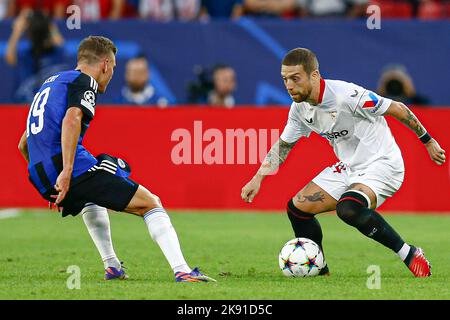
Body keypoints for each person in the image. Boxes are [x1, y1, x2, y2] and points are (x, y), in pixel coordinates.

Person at [17, 36, 215, 283]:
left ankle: (112, 266)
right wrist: (65, 172)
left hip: (38, 172)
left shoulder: (50, 83)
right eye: (113, 68)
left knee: (93, 192)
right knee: (150, 203)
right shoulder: (85, 82)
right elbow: (72, 118)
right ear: (105, 65)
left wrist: (48, 177)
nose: (111, 76)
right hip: (66, 167)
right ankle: (182, 270)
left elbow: (24, 142)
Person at [241, 48, 445, 278]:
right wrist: (258, 177)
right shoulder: (300, 109)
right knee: (297, 209)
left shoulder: (347, 95)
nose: (289, 85)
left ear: (314, 75)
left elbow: (397, 108)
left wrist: (427, 141)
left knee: (348, 208)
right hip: (350, 168)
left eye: (295, 78)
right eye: (285, 79)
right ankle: (320, 272)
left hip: (383, 164)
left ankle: (409, 253)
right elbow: (284, 146)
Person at [5, 9, 66, 102]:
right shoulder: (56, 53)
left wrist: (17, 30)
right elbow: (60, 42)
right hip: (43, 107)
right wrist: (49, 23)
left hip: (25, 107)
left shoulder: (25, 55)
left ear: (29, 34)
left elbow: (9, 57)